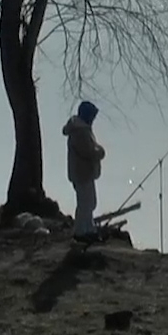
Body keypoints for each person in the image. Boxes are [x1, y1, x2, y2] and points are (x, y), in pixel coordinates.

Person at [62, 100, 105, 242]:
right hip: (82, 174)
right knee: (85, 203)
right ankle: (81, 232)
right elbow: (88, 151)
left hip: (83, 173)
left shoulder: (81, 130)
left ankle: (88, 229)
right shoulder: (80, 132)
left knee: (89, 203)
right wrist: (100, 152)